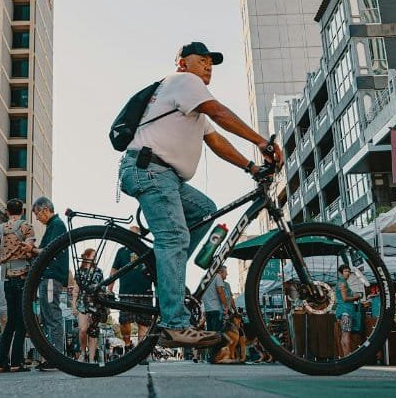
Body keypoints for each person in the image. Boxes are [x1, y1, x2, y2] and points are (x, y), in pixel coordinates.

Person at [118, 41, 282, 349]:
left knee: (205, 210)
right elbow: (219, 112)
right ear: (182, 63)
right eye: (202, 60)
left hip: (164, 174)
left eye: (211, 62)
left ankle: (161, 266)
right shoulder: (183, 82)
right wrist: (263, 144)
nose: (208, 66)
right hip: (151, 170)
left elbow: (217, 141)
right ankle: (174, 324)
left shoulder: (189, 101)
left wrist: (251, 167)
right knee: (176, 238)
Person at [0, 198, 35, 372]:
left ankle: (2, 362)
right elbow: (29, 249)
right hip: (23, 277)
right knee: (22, 321)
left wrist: (5, 257)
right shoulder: (26, 227)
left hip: (6, 278)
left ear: (7, 212)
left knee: (10, 321)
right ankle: (17, 362)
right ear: (22, 211)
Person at [33, 196, 67, 370]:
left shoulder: (56, 225)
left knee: (52, 316)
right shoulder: (54, 225)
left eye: (37, 214)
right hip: (50, 275)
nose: (37, 219)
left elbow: (49, 250)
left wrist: (32, 250)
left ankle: (56, 357)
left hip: (51, 275)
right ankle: (53, 356)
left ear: (45, 209)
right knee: (48, 316)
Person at [111, 227, 153, 359]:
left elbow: (156, 272)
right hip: (126, 292)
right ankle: (128, 344)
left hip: (145, 292)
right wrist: (109, 288)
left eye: (136, 234)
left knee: (144, 323)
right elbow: (114, 270)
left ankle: (141, 353)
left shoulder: (147, 250)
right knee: (124, 322)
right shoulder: (121, 251)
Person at [75, 248, 101, 362]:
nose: (94, 258)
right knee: (82, 329)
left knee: (93, 331)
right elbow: (76, 289)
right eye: (93, 256)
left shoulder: (98, 271)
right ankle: (82, 352)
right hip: (82, 302)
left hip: (96, 302)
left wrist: (106, 307)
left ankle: (91, 359)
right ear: (86, 256)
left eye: (95, 256)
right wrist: (73, 305)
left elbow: (102, 288)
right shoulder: (79, 271)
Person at [201, 266, 229, 362]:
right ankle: (217, 356)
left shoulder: (205, 278)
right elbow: (221, 292)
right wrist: (225, 306)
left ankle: (210, 356)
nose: (227, 274)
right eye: (225, 272)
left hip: (208, 310)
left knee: (210, 334)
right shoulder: (217, 277)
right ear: (221, 272)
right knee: (218, 334)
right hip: (217, 309)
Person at [335, 265, 362, 356]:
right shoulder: (342, 283)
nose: (348, 273)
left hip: (343, 311)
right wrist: (356, 297)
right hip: (346, 311)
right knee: (346, 334)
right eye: (346, 271)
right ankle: (348, 355)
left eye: (349, 271)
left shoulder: (342, 283)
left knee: (344, 334)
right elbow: (345, 298)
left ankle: (345, 355)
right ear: (341, 273)